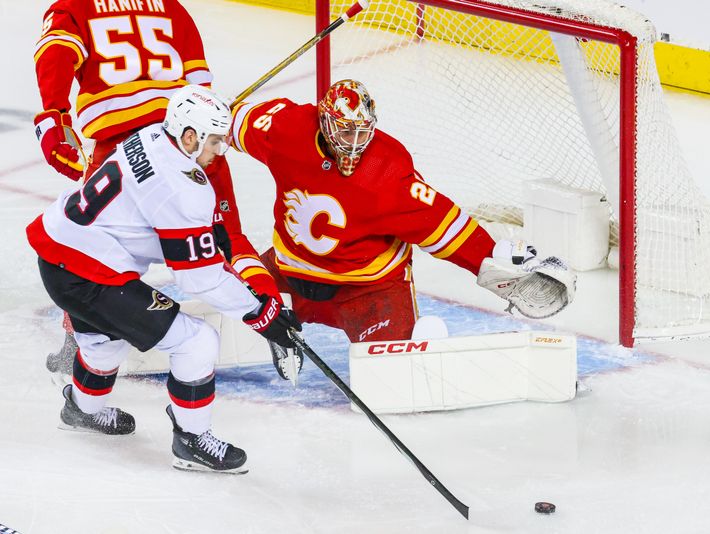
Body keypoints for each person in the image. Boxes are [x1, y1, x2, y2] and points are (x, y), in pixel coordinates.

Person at [26, 85, 300, 474]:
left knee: (104, 343)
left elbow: (152, 215)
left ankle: (81, 410)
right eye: (215, 141)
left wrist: (207, 234)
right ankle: (191, 440)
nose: (220, 151)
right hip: (88, 272)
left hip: (60, 254)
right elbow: (200, 280)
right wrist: (262, 315)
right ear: (190, 136)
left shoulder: (151, 136)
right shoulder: (183, 188)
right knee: (198, 341)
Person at [229, 79, 575, 379]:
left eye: (362, 131)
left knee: (395, 373)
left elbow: (443, 224)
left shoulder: (387, 170)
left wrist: (489, 256)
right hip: (290, 272)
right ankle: (275, 328)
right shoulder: (285, 128)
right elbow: (228, 122)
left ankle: (407, 346)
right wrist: (203, 121)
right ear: (324, 122)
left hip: (367, 290)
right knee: (222, 290)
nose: (354, 142)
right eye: (345, 130)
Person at [32, 0, 276, 375]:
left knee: (100, 240)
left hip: (122, 145)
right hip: (189, 139)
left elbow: (56, 53)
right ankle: (265, 313)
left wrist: (54, 114)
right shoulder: (172, 8)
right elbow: (199, 88)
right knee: (224, 236)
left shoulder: (74, 6)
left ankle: (81, 348)